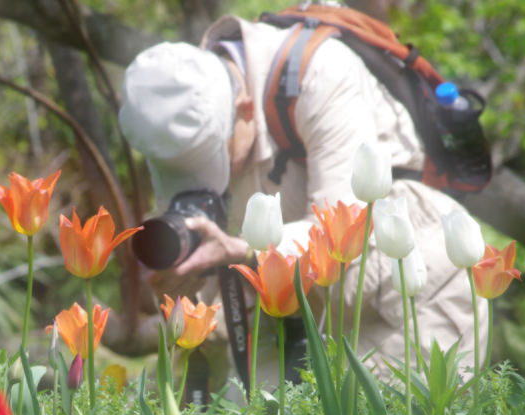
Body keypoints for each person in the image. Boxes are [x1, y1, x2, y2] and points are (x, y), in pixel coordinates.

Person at [117, 8, 487, 387]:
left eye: (214, 157)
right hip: (286, 311)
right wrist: (186, 286)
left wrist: (242, 250)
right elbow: (209, 262)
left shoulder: (319, 72)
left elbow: (345, 230)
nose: (210, 181)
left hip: (402, 290)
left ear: (244, 107)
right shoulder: (172, 109)